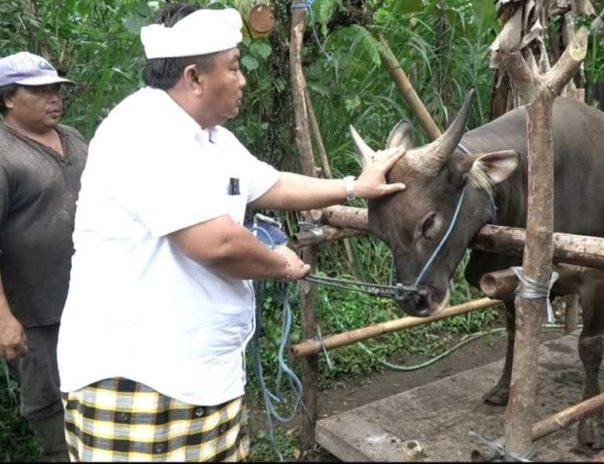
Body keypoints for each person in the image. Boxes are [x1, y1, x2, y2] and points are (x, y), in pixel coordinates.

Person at [56, 3, 406, 462]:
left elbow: (273, 183)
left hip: (200, 373)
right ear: (194, 77)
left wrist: (352, 186)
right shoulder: (143, 130)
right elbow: (214, 241)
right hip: (140, 377)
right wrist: (281, 264)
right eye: (234, 67)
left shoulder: (211, 136)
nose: (243, 79)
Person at [0, 51, 87, 462]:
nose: (54, 98)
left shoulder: (74, 138)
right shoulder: (5, 154)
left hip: (89, 302)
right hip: (34, 312)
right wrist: (5, 319)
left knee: (90, 392)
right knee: (47, 404)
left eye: (55, 89)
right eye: (39, 91)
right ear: (8, 99)